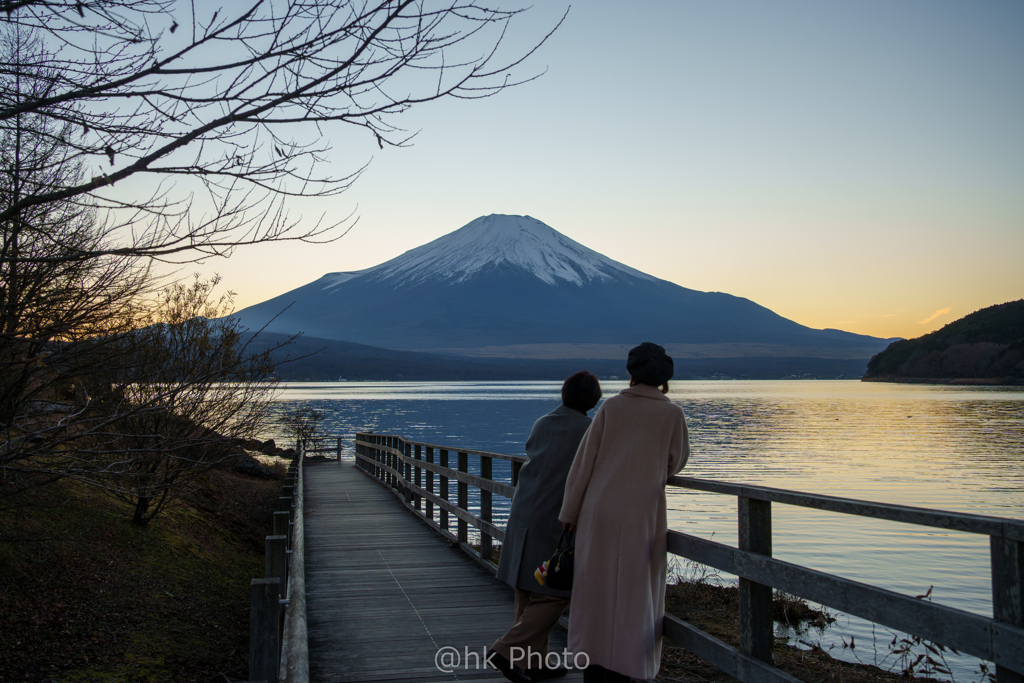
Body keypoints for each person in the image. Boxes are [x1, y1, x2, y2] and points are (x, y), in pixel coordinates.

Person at [559, 342, 690, 683]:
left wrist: (570, 512)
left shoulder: (611, 407)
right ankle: (628, 666)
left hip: (598, 509)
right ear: (664, 378)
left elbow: (583, 463)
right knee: (636, 592)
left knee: (594, 590)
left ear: (631, 373)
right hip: (641, 513)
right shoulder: (672, 414)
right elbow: (676, 461)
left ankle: (592, 663)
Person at [490, 371, 603, 683]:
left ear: (564, 393)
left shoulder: (542, 422)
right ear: (593, 400)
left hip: (524, 510)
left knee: (528, 587)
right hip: (557, 516)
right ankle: (507, 650)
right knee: (556, 591)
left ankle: (534, 663)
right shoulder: (590, 430)